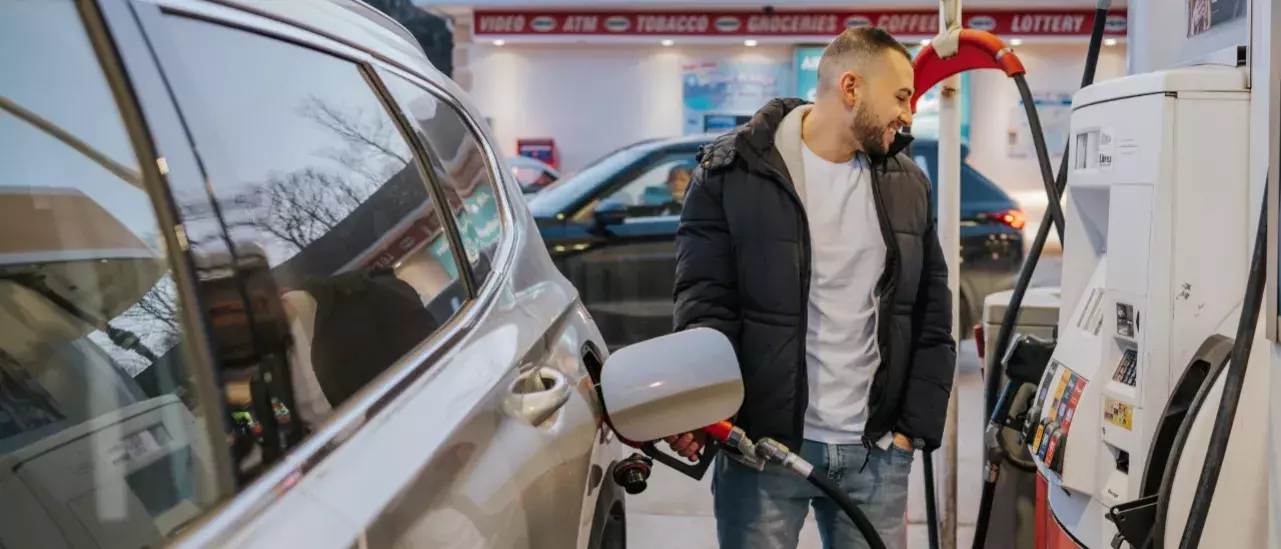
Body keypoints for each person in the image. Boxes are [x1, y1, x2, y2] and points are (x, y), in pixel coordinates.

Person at [668, 27, 956, 549]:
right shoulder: (731, 173)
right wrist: (706, 406)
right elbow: (703, 304)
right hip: (763, 452)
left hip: (877, 454)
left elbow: (932, 313)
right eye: (901, 96)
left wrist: (911, 431)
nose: (909, 114)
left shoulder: (908, 183)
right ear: (851, 88)